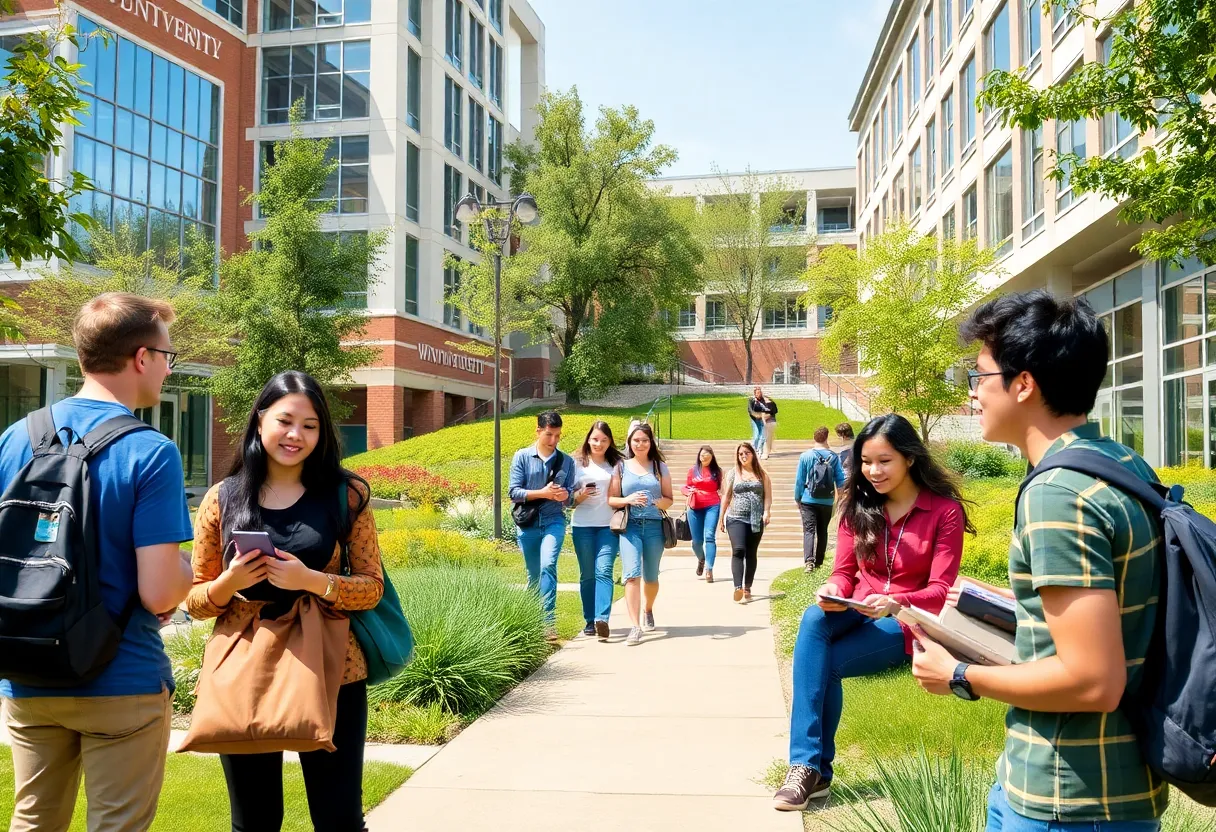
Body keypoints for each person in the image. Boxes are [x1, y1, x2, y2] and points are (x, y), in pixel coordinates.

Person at [910, 290, 1169, 831]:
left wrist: (960, 674)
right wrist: (1019, 604)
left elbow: (1093, 680)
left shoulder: (1058, 493)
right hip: (1090, 786)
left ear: (1023, 383)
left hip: (1070, 799)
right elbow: (1119, 604)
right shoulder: (1120, 463)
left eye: (978, 376)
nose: (974, 394)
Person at [0, 293, 194, 832]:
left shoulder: (16, 438)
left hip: (28, 672)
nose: (167, 366)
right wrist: (189, 571)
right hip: (120, 677)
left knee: (34, 821)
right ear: (140, 357)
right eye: (167, 355)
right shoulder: (151, 450)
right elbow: (159, 593)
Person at [186, 370, 384, 832]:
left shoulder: (347, 494)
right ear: (259, 422)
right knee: (254, 821)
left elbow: (371, 586)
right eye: (285, 421)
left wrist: (312, 580)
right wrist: (228, 582)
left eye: (310, 425)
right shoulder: (223, 498)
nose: (296, 435)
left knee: (338, 818)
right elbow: (195, 598)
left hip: (333, 668)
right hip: (244, 667)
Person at [773, 413, 971, 811]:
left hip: (908, 620)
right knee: (813, 618)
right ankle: (806, 767)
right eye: (866, 461)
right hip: (858, 606)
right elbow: (844, 572)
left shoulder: (944, 511)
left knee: (825, 664)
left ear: (910, 458)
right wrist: (833, 589)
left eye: (884, 461)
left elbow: (941, 590)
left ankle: (813, 773)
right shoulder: (857, 506)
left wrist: (899, 602)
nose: (873, 471)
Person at [508, 411, 576, 640]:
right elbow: (514, 492)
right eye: (549, 434)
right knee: (534, 575)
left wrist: (565, 495)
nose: (554, 440)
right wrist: (543, 493)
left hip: (554, 521)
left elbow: (571, 497)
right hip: (527, 523)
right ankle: (530, 620)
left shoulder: (567, 461)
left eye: (558, 435)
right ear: (538, 431)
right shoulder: (522, 457)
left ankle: (548, 623)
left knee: (548, 565)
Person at [608, 422, 673, 647]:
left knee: (651, 577)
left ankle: (648, 609)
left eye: (645, 440)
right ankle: (635, 627)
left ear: (650, 442)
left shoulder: (660, 467)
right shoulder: (621, 467)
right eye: (636, 440)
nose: (640, 444)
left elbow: (669, 499)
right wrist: (628, 500)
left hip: (654, 526)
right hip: (630, 526)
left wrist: (656, 502)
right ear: (630, 442)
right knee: (631, 575)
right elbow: (612, 499)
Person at [571, 421, 623, 641]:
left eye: (603, 440)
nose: (598, 443)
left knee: (604, 571)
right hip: (582, 525)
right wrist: (579, 496)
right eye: (595, 439)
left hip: (608, 526)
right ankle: (589, 621)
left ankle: (603, 619)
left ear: (609, 441)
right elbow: (567, 499)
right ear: (588, 439)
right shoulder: (576, 464)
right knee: (588, 575)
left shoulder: (618, 464)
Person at [719, 442, 772, 604]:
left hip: (756, 519)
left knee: (751, 553)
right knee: (738, 550)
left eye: (746, 453)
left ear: (752, 454)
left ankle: (747, 586)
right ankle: (737, 587)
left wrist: (767, 511)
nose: (743, 456)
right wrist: (721, 517)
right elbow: (726, 496)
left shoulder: (762, 474)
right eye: (740, 454)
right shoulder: (733, 474)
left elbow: (767, 496)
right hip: (736, 517)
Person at [795, 427, 847, 572]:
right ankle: (819, 562)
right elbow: (840, 479)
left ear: (814, 437)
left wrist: (797, 498)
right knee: (822, 531)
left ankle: (809, 562)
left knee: (809, 530)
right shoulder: (834, 457)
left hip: (808, 499)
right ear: (826, 438)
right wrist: (839, 498)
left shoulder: (805, 456)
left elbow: (800, 480)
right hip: (827, 500)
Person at [683, 445, 723, 583]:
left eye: (707, 455)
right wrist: (688, 492)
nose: (704, 457)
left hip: (712, 505)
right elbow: (685, 486)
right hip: (694, 506)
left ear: (712, 457)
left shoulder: (717, 472)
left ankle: (709, 569)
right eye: (701, 455)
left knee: (710, 536)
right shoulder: (693, 471)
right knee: (696, 542)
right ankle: (701, 559)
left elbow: (722, 489)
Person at [748, 387, 768, 457]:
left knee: (762, 436)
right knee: (756, 435)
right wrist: (755, 415)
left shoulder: (763, 400)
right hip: (755, 420)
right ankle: (754, 449)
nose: (759, 394)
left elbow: (766, 409)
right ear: (755, 394)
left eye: (760, 392)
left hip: (762, 419)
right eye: (758, 393)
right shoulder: (751, 400)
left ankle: (760, 450)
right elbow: (750, 410)